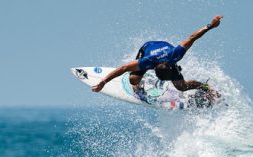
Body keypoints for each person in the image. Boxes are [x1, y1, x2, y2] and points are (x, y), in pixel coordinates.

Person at [91, 15, 223, 97]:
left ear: (172, 67)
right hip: (147, 47)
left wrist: (210, 25)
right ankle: (138, 86)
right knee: (133, 80)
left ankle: (206, 87)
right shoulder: (147, 61)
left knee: (181, 87)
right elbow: (123, 68)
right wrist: (103, 82)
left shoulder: (175, 54)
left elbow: (193, 37)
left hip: (164, 49)